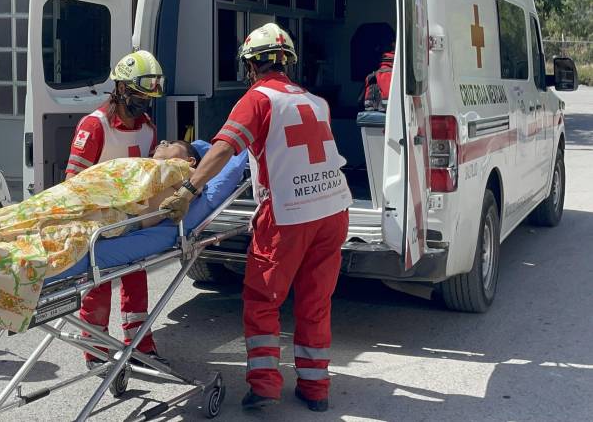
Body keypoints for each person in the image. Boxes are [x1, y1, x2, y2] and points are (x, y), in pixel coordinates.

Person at [160, 23, 351, 412]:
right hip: (333, 209)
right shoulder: (317, 102)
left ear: (251, 66)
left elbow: (223, 150)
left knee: (263, 298)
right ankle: (316, 390)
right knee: (316, 301)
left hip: (290, 214)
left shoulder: (258, 98)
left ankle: (264, 385)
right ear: (289, 62)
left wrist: (188, 190)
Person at [64, 49, 168, 369]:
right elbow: (73, 181)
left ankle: (139, 344)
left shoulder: (147, 127)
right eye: (138, 95)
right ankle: (96, 350)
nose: (143, 104)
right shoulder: (94, 127)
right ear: (121, 89)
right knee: (98, 287)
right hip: (99, 222)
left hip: (134, 220)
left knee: (137, 280)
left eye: (148, 98)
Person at [362, 42, 394, 112]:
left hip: (375, 111)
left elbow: (360, 101)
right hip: (394, 111)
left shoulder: (371, 77)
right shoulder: (400, 76)